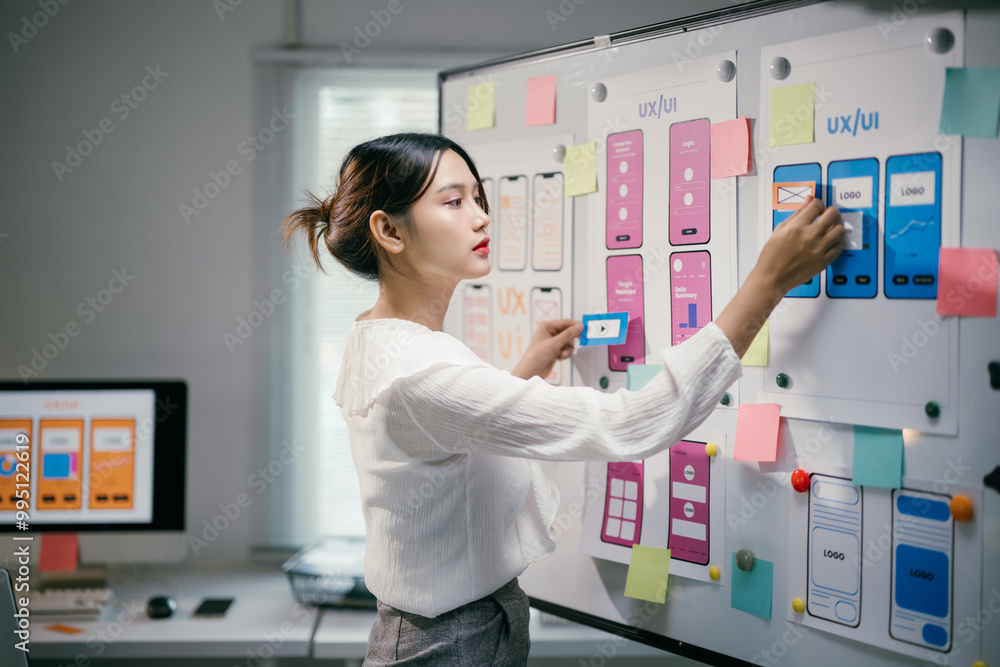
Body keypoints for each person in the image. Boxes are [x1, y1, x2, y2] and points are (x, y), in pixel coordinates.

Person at [281, 132, 844, 666]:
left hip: (443, 630)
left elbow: (440, 441)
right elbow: (633, 423)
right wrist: (768, 283)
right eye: (453, 202)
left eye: (478, 197)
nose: (481, 216)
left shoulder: (383, 341)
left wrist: (523, 372)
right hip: (446, 644)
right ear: (390, 232)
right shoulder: (420, 373)